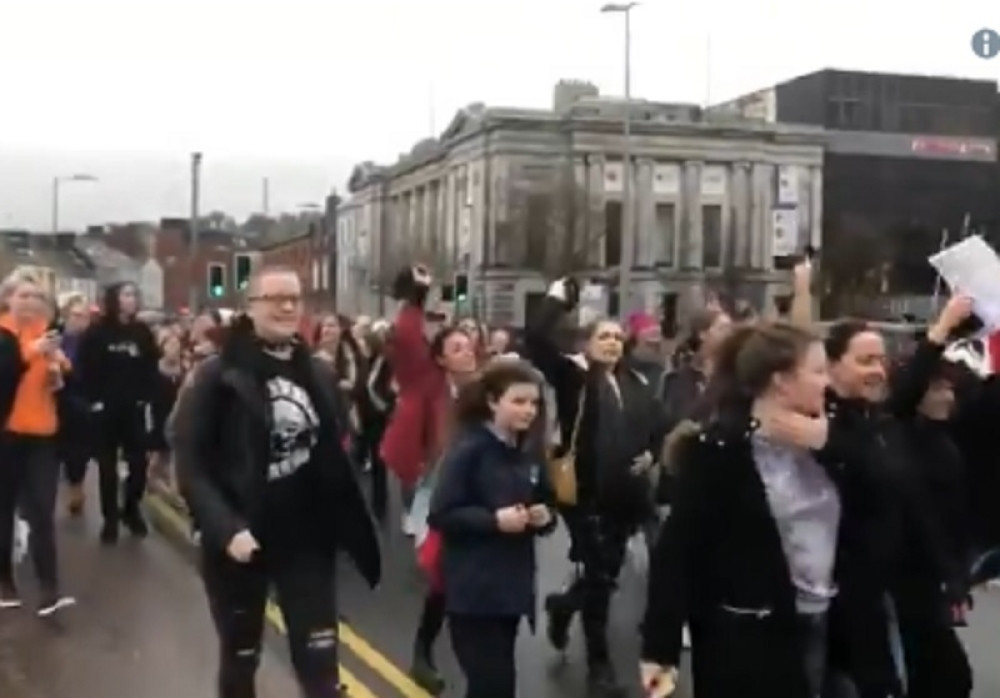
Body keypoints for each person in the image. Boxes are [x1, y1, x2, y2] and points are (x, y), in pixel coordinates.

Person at [172, 265, 380, 698]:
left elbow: (336, 450)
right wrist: (227, 529)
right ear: (251, 307)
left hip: (306, 541)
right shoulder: (216, 375)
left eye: (294, 299)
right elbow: (191, 464)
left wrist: (346, 520)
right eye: (275, 299)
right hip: (243, 542)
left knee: (321, 670)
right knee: (241, 658)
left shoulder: (319, 374)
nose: (286, 307)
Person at [525, 277, 665, 695]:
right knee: (600, 581)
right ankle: (599, 669)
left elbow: (658, 426)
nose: (611, 344)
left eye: (617, 338)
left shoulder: (636, 383)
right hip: (585, 496)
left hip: (626, 497)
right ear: (587, 343)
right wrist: (556, 299)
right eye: (603, 337)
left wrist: (652, 454)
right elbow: (536, 340)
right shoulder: (575, 378)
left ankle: (563, 605)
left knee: (603, 575)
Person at [429, 359, 556, 698]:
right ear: (492, 401)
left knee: (496, 686)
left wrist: (545, 517)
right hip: (474, 591)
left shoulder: (529, 451)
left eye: (534, 403)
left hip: (510, 591)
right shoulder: (468, 449)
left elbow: (547, 500)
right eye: (519, 401)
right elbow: (441, 514)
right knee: (492, 685)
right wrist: (494, 521)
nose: (529, 411)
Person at [381, 264, 478, 694]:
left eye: (470, 346)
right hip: (435, 492)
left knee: (470, 577)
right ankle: (423, 651)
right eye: (457, 347)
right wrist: (416, 298)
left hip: (479, 494)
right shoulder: (428, 383)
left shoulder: (487, 390)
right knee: (441, 574)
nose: (467, 352)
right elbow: (405, 339)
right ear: (440, 358)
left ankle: (478, 657)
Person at [0, 270, 76, 615]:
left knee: (43, 509)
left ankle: (50, 587)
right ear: (8, 299)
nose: (31, 303)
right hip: (8, 431)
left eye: (37, 297)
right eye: (24, 296)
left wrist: (59, 374)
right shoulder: (4, 333)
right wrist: (32, 351)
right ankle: (5, 581)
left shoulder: (45, 333)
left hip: (43, 431)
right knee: (4, 508)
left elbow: (64, 374)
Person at [77, 282, 159, 544]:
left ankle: (131, 508)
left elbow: (151, 365)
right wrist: (94, 401)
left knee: (139, 465)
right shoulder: (97, 332)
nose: (131, 299)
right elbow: (84, 368)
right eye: (126, 294)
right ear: (115, 299)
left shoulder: (141, 332)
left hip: (133, 409)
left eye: (134, 294)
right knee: (107, 467)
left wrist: (146, 397)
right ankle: (110, 518)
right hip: (105, 409)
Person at [55, 292, 93, 516]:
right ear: (66, 316)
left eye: (84, 316)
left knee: (78, 453)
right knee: (56, 451)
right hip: (57, 400)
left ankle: (76, 488)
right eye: (76, 315)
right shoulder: (56, 339)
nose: (80, 321)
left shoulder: (92, 342)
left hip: (81, 402)